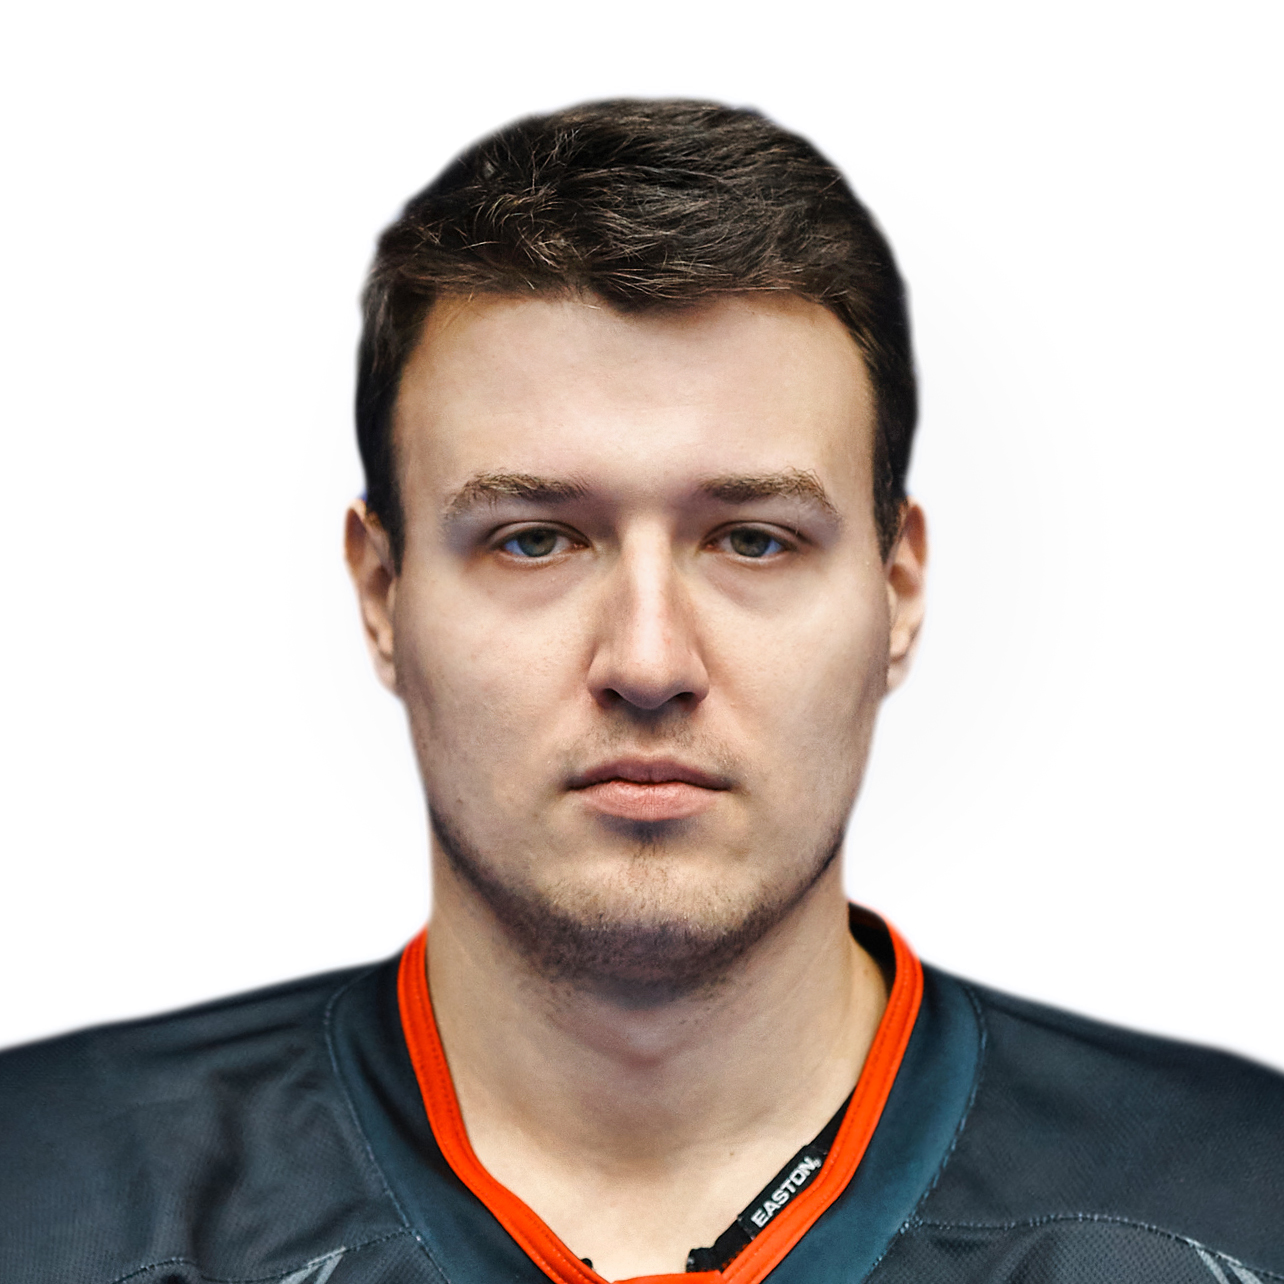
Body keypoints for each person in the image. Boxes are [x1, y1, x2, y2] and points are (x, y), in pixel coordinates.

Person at [1, 98, 1280, 1284]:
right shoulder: (43, 1199)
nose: (651, 663)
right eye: (535, 541)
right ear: (383, 594)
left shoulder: (1239, 1208)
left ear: (897, 593)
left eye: (754, 540)